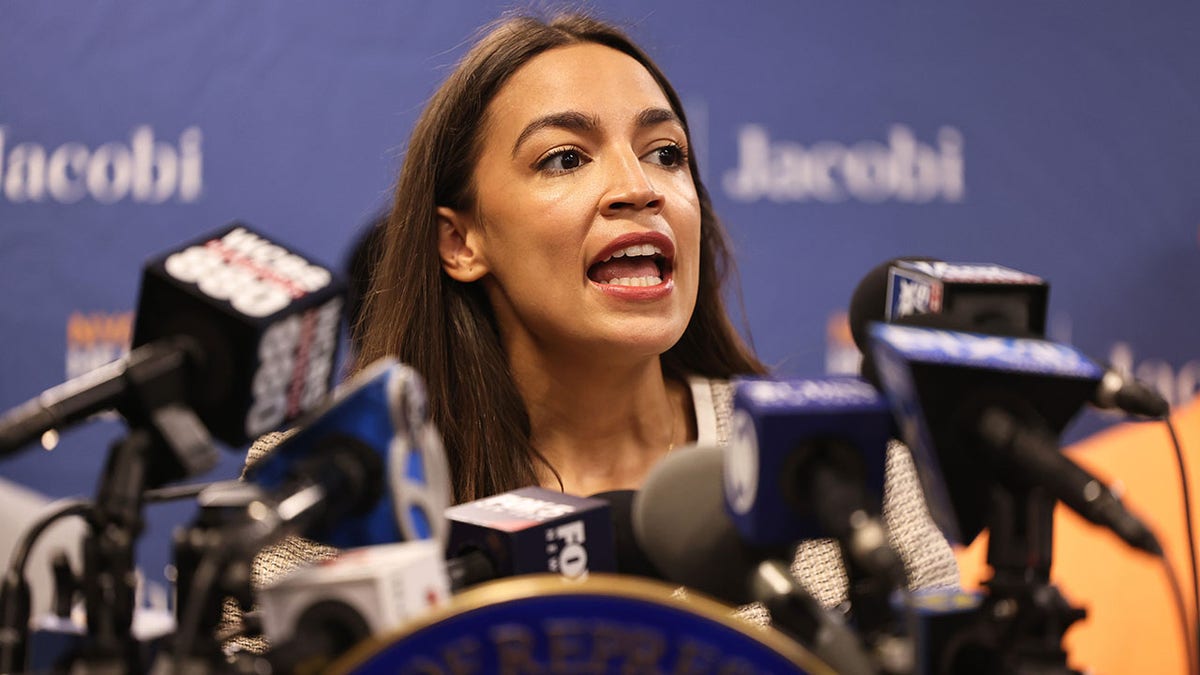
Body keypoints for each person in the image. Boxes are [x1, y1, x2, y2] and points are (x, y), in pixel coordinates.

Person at [232, 9, 958, 651]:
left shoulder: (842, 475)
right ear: (460, 242)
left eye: (666, 153)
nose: (641, 187)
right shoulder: (324, 493)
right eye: (565, 158)